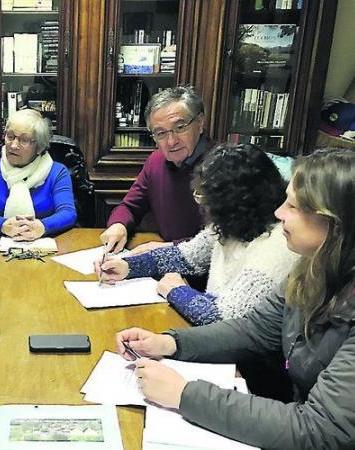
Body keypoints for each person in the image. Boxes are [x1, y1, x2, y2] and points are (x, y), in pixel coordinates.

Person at [117, 148, 355, 449]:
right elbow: (252, 329)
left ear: (333, 223)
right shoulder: (313, 267)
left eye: (293, 206)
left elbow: (319, 429)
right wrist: (170, 342)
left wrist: (184, 394)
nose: (279, 213)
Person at [96, 144, 298, 325]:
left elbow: (222, 317)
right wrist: (128, 266)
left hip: (245, 360)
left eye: (209, 198)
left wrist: (175, 290)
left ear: (236, 203)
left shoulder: (278, 244)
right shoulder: (232, 223)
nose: (203, 205)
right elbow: (186, 256)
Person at [100, 85, 214, 254]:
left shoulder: (223, 166)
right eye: (160, 133)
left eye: (180, 127)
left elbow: (224, 241)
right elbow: (130, 206)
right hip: (168, 266)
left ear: (200, 123)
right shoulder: (156, 161)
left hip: (207, 273)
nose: (171, 142)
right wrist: (119, 225)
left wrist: (167, 250)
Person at [0, 109, 76, 240]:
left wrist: (42, 226)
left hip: (44, 243)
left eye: (24, 140)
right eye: (10, 137)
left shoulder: (57, 172)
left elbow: (68, 213)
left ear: (39, 146)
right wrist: (3, 225)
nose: (14, 145)